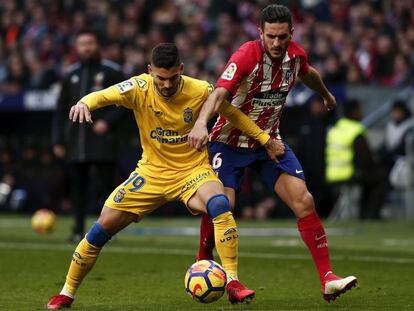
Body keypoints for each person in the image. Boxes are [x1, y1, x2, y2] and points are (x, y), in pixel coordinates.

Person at [46, 43, 282, 309]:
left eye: (173, 78)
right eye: (161, 78)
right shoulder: (139, 87)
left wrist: (265, 139)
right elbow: (102, 96)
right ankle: (66, 293)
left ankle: (233, 282)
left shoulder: (200, 90)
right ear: (150, 71)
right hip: (151, 174)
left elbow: (233, 115)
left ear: (181, 69)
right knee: (101, 228)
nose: (167, 85)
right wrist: (83, 103)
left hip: (193, 171)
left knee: (219, 203)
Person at [189, 4, 357, 302]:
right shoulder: (246, 56)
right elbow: (218, 93)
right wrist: (202, 123)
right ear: (260, 34)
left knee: (304, 201)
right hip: (227, 143)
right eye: (271, 37)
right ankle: (214, 268)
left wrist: (325, 94)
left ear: (291, 33)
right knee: (221, 204)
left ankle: (328, 278)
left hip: (269, 144)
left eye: (282, 37)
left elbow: (308, 73)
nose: (277, 43)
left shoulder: (296, 55)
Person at [52, 30, 126, 242]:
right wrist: (58, 140)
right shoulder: (70, 74)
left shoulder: (112, 71)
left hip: (104, 141)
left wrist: (107, 121)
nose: (87, 47)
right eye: (82, 43)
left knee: (107, 189)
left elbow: (126, 103)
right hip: (77, 141)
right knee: (77, 188)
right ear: (77, 47)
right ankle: (77, 230)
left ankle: (109, 230)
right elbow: (60, 110)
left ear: (97, 45)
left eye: (90, 42)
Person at [326, 99, 388, 219]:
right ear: (353, 112)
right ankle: (370, 215)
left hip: (332, 174)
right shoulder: (355, 130)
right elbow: (364, 158)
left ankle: (364, 213)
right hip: (349, 174)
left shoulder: (335, 129)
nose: (362, 113)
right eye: (360, 110)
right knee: (381, 179)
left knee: (370, 178)